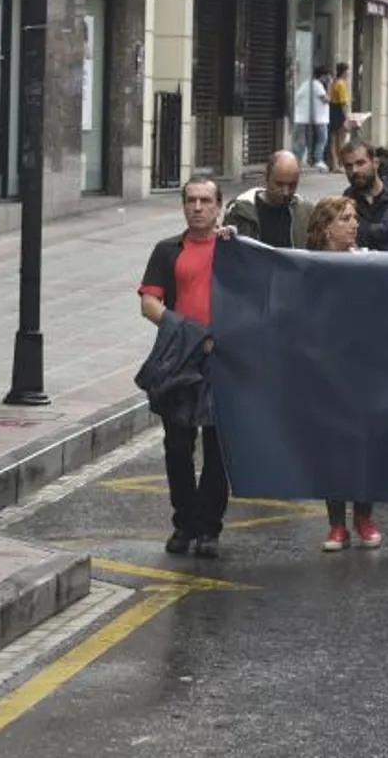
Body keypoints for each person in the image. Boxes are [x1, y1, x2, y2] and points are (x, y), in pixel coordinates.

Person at [137, 177, 230, 560]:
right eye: (190, 200)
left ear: (219, 206)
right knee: (177, 445)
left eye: (205, 200)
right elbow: (149, 304)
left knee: (216, 448)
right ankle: (184, 523)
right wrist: (191, 333)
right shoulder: (166, 250)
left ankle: (209, 528)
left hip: (221, 361)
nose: (197, 207)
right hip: (180, 359)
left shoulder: (232, 249)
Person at [303, 196, 383, 552]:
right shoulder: (305, 266)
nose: (354, 224)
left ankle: (364, 518)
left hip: (364, 369)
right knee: (331, 449)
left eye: (355, 218)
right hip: (323, 373)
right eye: (345, 219)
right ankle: (337, 525)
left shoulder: (367, 262)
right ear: (325, 227)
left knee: (365, 445)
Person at [223, 151, 311, 248]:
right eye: (279, 184)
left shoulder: (305, 213)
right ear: (266, 177)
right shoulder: (240, 211)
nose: (286, 192)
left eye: (292, 185)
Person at [292, 65, 332, 172]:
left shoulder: (306, 84)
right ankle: (318, 160)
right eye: (327, 76)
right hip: (319, 118)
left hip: (302, 117)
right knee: (322, 139)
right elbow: (327, 99)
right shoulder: (317, 85)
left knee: (301, 142)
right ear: (324, 76)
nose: (328, 78)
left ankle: (297, 163)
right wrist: (330, 85)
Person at [326, 63, 351, 171]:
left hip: (332, 111)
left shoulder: (334, 83)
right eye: (348, 71)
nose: (349, 73)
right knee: (341, 141)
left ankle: (335, 164)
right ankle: (340, 164)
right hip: (339, 112)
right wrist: (347, 118)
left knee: (333, 140)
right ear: (344, 72)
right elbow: (343, 103)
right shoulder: (341, 84)